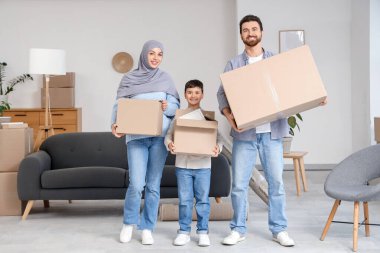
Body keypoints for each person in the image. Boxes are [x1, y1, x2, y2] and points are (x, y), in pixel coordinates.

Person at [217, 14, 296, 247]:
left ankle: (279, 229)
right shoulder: (234, 64)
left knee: (277, 184)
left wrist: (312, 97)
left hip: (272, 133)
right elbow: (222, 93)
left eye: (254, 29)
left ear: (261, 32)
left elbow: (291, 87)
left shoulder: (274, 61)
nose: (250, 33)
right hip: (245, 134)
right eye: (245, 30)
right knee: (239, 185)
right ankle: (238, 229)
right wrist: (229, 117)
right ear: (241, 35)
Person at [111, 40, 180, 245]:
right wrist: (115, 124)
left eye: (160, 54)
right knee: (136, 184)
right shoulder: (129, 79)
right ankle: (128, 223)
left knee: (153, 185)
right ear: (144, 55)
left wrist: (168, 106)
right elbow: (119, 104)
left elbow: (176, 106)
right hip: (136, 138)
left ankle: (147, 227)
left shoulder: (166, 78)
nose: (155, 57)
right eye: (152, 53)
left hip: (159, 138)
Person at [165, 79, 223, 247]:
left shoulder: (208, 117)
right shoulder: (178, 117)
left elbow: (218, 139)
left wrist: (217, 148)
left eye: (197, 92)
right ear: (185, 95)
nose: (193, 95)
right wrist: (169, 144)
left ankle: (203, 231)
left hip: (204, 166)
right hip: (183, 165)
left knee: (203, 200)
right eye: (190, 92)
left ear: (202, 95)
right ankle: (183, 232)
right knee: (185, 200)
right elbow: (169, 136)